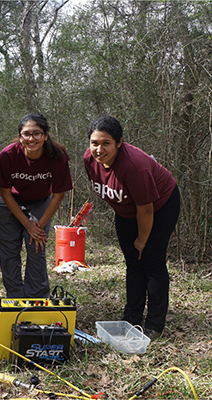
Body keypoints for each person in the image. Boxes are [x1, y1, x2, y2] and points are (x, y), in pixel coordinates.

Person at [83, 115, 180, 339]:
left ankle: (155, 324)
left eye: (106, 143)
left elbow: (145, 209)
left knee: (151, 260)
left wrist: (142, 239)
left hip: (159, 206)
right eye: (94, 143)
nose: (99, 149)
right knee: (133, 262)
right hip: (126, 210)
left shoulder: (134, 166)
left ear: (119, 142)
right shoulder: (89, 159)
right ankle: (132, 318)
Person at [0, 113, 72, 298]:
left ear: (45, 135)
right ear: (20, 137)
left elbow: (59, 194)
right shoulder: (8, 155)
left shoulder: (57, 157)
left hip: (39, 201)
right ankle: (15, 299)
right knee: (9, 251)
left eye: (37, 133)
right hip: (6, 202)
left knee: (37, 245)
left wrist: (39, 225)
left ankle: (37, 298)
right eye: (26, 134)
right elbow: (5, 192)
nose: (31, 138)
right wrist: (27, 224)